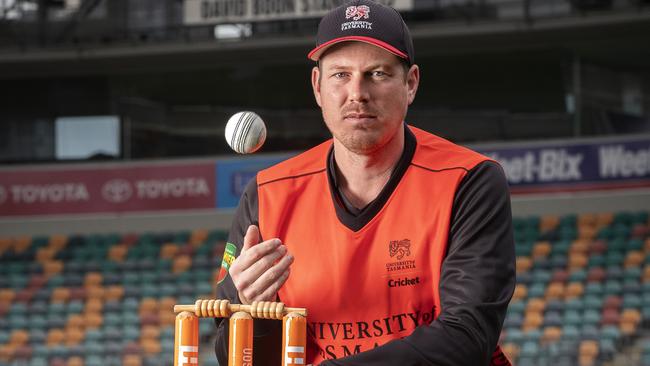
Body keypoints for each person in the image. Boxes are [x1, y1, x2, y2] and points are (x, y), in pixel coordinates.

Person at [215, 0, 516, 364]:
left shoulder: (469, 180)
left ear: (411, 84)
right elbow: (238, 356)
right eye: (340, 74)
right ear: (317, 86)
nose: (357, 92)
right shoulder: (267, 194)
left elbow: (468, 335)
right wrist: (250, 313)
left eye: (377, 73)